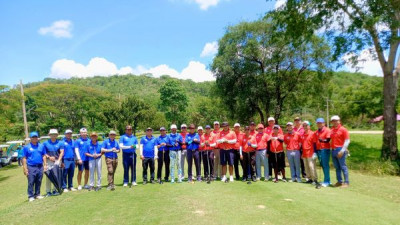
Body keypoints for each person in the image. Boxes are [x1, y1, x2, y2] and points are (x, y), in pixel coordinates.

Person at [22, 132, 46, 202]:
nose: (35, 138)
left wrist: (45, 165)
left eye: (36, 137)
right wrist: (25, 168)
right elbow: (24, 158)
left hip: (40, 166)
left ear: (38, 138)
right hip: (31, 166)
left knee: (39, 180)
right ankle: (30, 196)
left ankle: (37, 194)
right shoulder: (26, 147)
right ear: (30, 138)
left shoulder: (41, 146)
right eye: (33, 137)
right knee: (31, 181)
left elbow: (44, 155)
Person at [330, 115, 350, 188]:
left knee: (343, 167)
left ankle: (346, 182)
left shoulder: (343, 129)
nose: (335, 122)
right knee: (337, 167)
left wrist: (342, 151)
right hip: (333, 150)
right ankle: (339, 181)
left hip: (340, 149)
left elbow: (347, 141)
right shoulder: (332, 130)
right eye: (333, 121)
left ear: (339, 121)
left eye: (336, 120)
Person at [43, 129, 64, 197]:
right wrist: (49, 157)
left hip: (57, 161)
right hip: (49, 161)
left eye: (55, 134)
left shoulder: (60, 143)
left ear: (57, 135)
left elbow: (62, 152)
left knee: (57, 176)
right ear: (49, 135)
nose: (53, 135)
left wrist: (59, 160)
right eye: (52, 134)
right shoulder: (45, 143)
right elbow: (44, 153)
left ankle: (55, 190)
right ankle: (48, 191)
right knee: (49, 176)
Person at [300, 121, 321, 189]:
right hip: (305, 153)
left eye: (306, 125)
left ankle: (314, 179)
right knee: (306, 167)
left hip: (311, 153)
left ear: (309, 126)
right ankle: (309, 179)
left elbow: (315, 144)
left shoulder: (312, 134)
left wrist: (315, 152)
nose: (305, 127)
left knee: (311, 166)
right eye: (304, 126)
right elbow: (302, 145)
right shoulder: (302, 134)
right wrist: (302, 153)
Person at [314, 118, 331, 187]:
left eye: (320, 123)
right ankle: (325, 180)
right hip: (318, 150)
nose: (319, 124)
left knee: (325, 165)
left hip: (325, 149)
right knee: (322, 165)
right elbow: (314, 142)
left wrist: (323, 140)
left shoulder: (327, 130)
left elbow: (328, 140)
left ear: (324, 123)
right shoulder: (316, 132)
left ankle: (327, 181)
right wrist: (314, 152)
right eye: (318, 123)